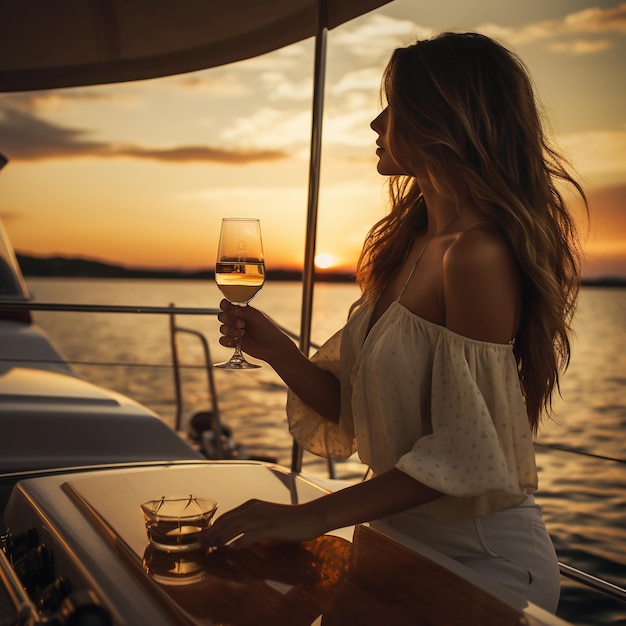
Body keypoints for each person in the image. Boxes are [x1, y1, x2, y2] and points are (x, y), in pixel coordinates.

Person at [203, 32, 587, 613]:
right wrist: (278, 350)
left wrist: (309, 518)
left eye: (396, 105)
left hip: (480, 560)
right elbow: (352, 409)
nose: (377, 123)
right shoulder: (407, 247)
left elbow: (468, 453)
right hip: (391, 538)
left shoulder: (477, 253)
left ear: (444, 117)